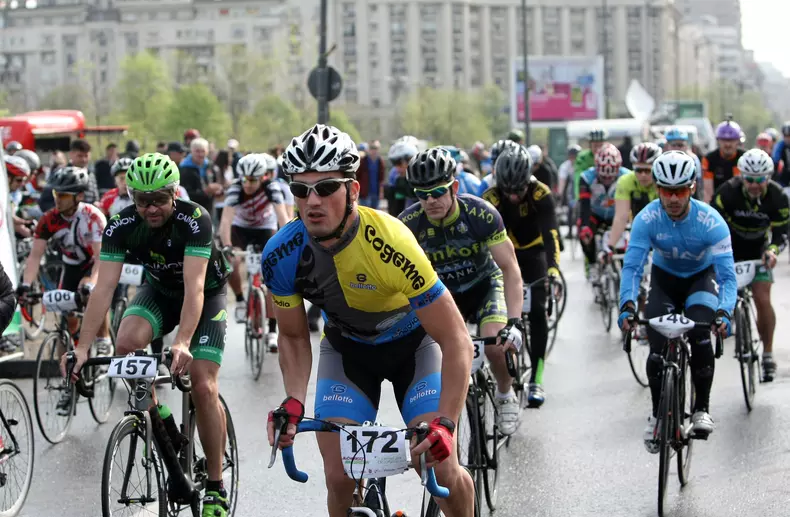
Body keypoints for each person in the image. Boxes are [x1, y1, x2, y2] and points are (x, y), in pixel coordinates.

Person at [264, 124, 475, 517]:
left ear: (353, 191)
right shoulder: (281, 254)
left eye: (326, 188)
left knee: (439, 464)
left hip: (414, 348)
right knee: (340, 477)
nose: (312, 201)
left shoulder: (391, 241)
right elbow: (293, 338)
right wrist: (293, 399)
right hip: (348, 353)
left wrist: (446, 422)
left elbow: (456, 338)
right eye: (300, 189)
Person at [61, 153, 232, 516]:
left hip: (204, 294)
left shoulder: (194, 219)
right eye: (142, 200)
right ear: (131, 197)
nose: (150, 208)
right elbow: (103, 289)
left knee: (202, 383)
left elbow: (195, 286)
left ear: (174, 194)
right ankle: (164, 424)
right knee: (125, 347)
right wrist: (83, 347)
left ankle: (215, 486)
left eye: (158, 200)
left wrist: (182, 341)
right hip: (159, 293)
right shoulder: (120, 225)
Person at [400, 147, 525, 433]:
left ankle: (505, 393)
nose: (430, 201)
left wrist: (515, 322)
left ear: (454, 187)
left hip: (484, 287)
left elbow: (510, 268)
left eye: (438, 192)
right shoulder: (407, 225)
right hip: (442, 297)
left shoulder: (480, 214)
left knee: (496, 344)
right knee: (438, 357)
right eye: (422, 194)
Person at [618, 151, 735, 452]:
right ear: (657, 189)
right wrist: (627, 305)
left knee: (699, 333)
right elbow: (632, 267)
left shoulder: (712, 222)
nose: (673, 198)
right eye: (666, 191)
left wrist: (724, 312)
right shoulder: (646, 219)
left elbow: (727, 277)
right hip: (665, 281)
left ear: (692, 187)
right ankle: (658, 416)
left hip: (700, 279)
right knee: (657, 347)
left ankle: (701, 409)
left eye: (680, 190)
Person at [19, 165, 112, 407]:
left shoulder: (92, 217)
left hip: (95, 263)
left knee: (91, 293)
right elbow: (35, 256)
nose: (58, 200)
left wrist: (91, 284)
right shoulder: (49, 219)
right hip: (70, 266)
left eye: (63, 195)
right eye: (55, 195)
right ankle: (68, 379)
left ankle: (103, 341)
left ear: (78, 196)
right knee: (65, 319)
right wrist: (25, 285)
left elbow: (101, 260)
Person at [481, 146, 561, 407]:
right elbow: (480, 241)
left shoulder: (541, 194)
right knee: (500, 314)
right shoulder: (490, 198)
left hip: (534, 253)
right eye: (508, 191)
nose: (514, 196)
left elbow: (552, 235)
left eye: (519, 190)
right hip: (504, 257)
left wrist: (552, 269)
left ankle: (537, 377)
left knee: (537, 311)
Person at [712, 149, 787, 381]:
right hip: (730, 250)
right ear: (741, 176)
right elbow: (713, 225)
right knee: (724, 294)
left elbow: (782, 233)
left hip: (759, 251)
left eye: (761, 179)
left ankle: (767, 353)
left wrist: (773, 251)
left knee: (762, 299)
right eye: (750, 179)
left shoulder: (778, 197)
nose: (755, 185)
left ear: (769, 177)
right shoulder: (727, 193)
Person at [218, 153, 289, 351]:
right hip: (240, 229)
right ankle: (240, 300)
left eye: (253, 180)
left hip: (264, 229)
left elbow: (282, 218)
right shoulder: (235, 189)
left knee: (272, 275)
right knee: (231, 264)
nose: (248, 184)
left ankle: (272, 330)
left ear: (263, 177)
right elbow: (225, 221)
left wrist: (284, 244)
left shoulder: (272, 187)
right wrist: (227, 246)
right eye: (245, 179)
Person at [578, 143, 628, 282]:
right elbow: (584, 206)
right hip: (595, 214)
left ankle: (626, 273)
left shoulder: (627, 177)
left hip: (618, 214)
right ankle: (592, 263)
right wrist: (585, 226)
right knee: (584, 231)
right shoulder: (586, 178)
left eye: (611, 177)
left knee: (627, 241)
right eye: (603, 177)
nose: (607, 180)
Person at [605, 142, 662, 254]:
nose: (643, 175)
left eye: (647, 170)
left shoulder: (663, 180)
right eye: (639, 170)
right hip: (640, 228)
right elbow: (621, 216)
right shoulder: (626, 181)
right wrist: (610, 246)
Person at [39, 139, 99, 212]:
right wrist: (61, 214)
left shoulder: (91, 175)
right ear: (71, 154)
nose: (83, 159)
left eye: (86, 156)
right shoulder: (60, 174)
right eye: (80, 156)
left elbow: (95, 199)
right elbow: (45, 202)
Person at [703, 119, 746, 202]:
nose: (727, 144)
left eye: (731, 140)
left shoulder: (745, 157)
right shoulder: (709, 159)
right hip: (718, 202)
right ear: (718, 140)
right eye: (724, 140)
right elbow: (708, 192)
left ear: (738, 141)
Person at [180, 138, 221, 214]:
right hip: (191, 210)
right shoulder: (184, 169)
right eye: (197, 151)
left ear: (207, 151)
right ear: (191, 151)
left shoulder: (210, 166)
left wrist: (218, 189)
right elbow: (183, 193)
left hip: (209, 208)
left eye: (203, 151)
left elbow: (216, 183)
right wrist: (205, 192)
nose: (200, 154)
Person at [386, 139, 419, 216]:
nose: (397, 168)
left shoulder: (423, 182)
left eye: (399, 163)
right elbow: (396, 209)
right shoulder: (399, 181)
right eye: (394, 164)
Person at [5, 155, 33, 238]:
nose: (22, 184)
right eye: (19, 180)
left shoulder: (16, 193)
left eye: (23, 180)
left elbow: (12, 211)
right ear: (7, 178)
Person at [357, 140, 386, 209]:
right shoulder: (363, 161)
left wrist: (381, 192)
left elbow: (381, 179)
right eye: (372, 148)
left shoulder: (380, 161)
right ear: (368, 149)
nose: (374, 150)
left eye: (375, 148)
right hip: (365, 193)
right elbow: (357, 176)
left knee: (375, 215)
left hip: (376, 193)